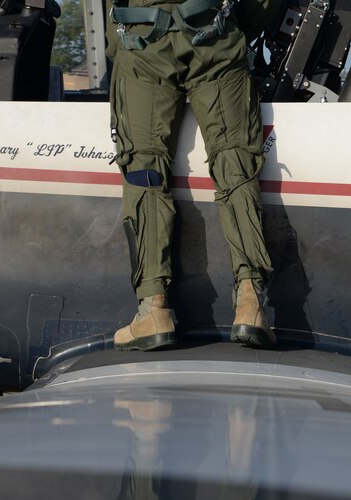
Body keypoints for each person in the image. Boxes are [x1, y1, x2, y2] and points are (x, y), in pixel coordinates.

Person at [107, 0, 277, 352]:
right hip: (213, 35)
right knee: (235, 164)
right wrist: (234, 23)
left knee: (144, 169)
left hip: (143, 42)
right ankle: (250, 303)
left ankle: (153, 308)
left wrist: (119, 41)